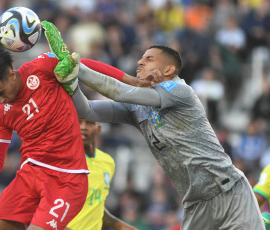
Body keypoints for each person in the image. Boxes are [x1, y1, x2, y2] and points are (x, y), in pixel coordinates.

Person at [43, 21, 265, 229]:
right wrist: (71, 83)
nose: (140, 62)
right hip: (195, 203)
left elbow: (121, 91)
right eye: (141, 58)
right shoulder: (136, 108)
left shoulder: (180, 91)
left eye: (149, 59)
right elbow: (87, 110)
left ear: (168, 70)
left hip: (228, 190)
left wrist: (77, 67)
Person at [0, 43, 91, 230]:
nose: (0, 100)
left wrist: (129, 81)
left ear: (11, 74)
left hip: (67, 179)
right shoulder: (0, 113)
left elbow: (85, 66)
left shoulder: (41, 68)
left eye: (0, 93)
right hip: (30, 176)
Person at [66, 119, 137, 230]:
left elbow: (95, 206)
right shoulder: (62, 161)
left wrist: (121, 225)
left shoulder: (108, 162)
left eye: (89, 123)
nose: (83, 127)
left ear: (98, 130)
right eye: (79, 122)